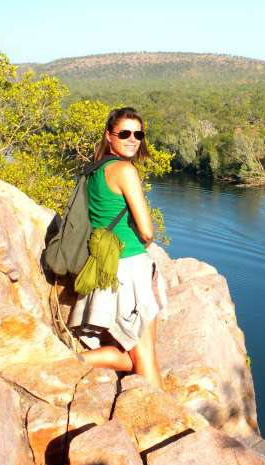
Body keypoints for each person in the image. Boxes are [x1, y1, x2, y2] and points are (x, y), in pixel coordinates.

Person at [68, 107, 167, 390]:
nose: (132, 139)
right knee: (145, 354)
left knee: (135, 354)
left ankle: (80, 361)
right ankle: (158, 420)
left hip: (108, 265)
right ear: (109, 136)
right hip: (132, 267)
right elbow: (147, 230)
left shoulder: (95, 171)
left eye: (138, 134)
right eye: (124, 133)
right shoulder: (125, 170)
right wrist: (143, 242)